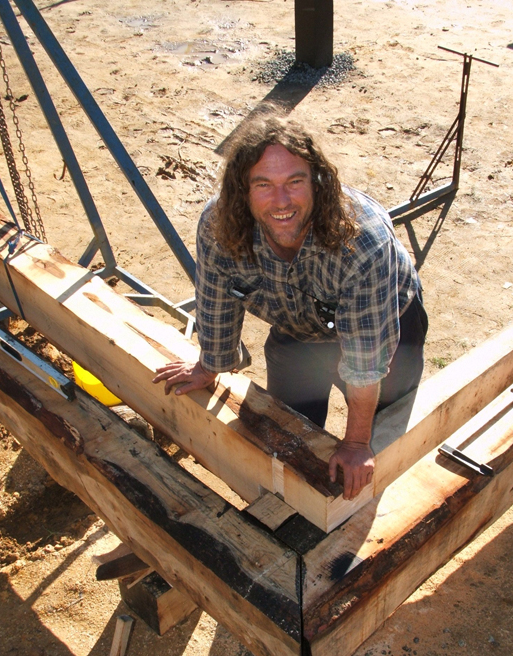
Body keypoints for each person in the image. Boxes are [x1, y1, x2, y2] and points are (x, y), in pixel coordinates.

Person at [154, 115, 427, 500]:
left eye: (294, 182)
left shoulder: (362, 241)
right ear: (242, 191)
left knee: (381, 445)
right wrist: (209, 365)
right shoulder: (221, 226)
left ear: (317, 182)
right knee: (286, 436)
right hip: (299, 329)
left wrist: (355, 443)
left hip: (387, 331)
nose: (281, 201)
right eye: (263, 185)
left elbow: (366, 360)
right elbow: (215, 297)